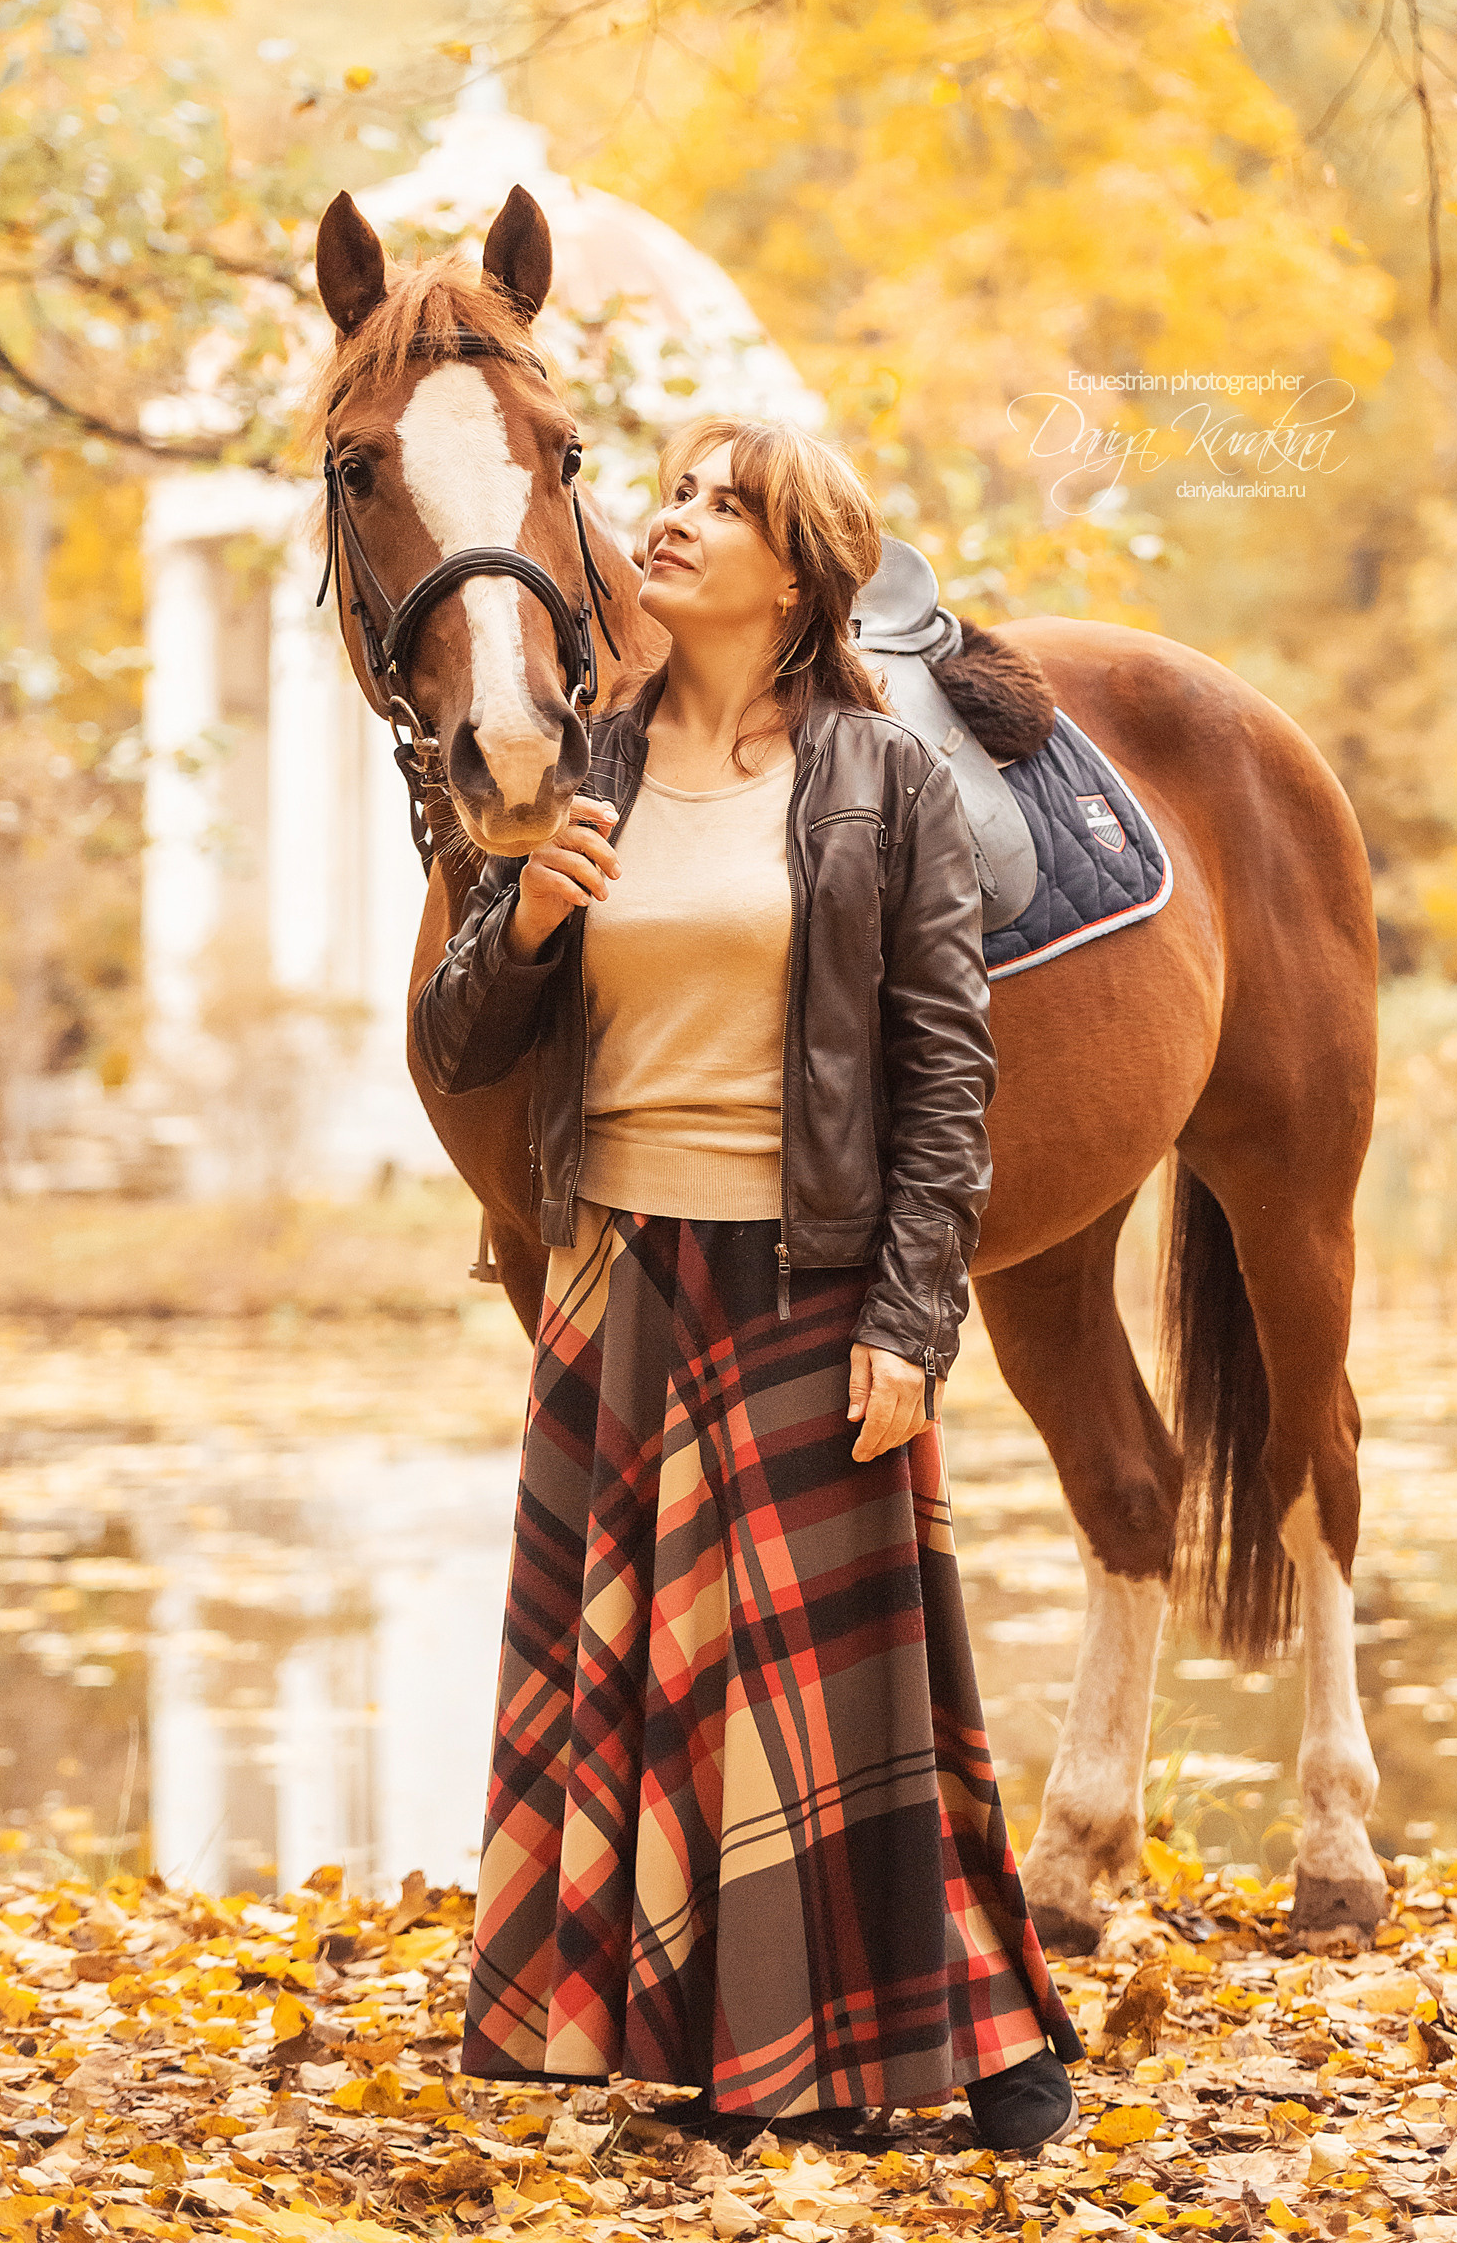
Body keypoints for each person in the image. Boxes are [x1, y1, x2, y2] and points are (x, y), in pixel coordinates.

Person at [414, 414, 1082, 2148]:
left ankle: (953, 2042)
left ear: (797, 572)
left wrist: (912, 1320)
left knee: (831, 1693)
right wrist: (530, 917)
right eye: (680, 492)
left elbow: (949, 1077)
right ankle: (717, 2044)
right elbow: (458, 1034)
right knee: (657, 1685)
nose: (678, 518)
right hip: (616, 1270)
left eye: (726, 505)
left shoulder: (887, 781)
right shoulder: (587, 767)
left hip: (806, 1274)